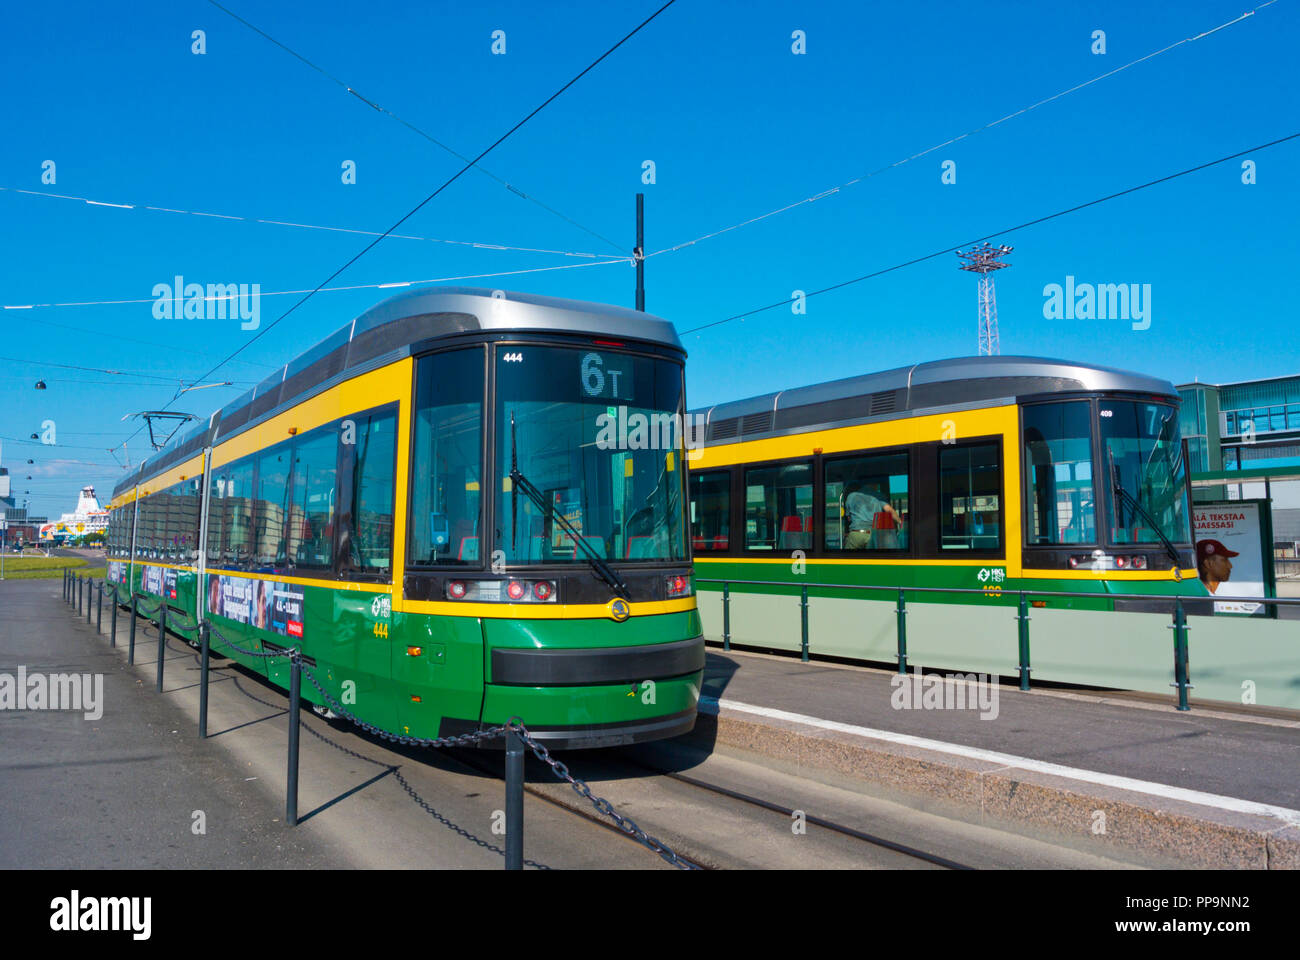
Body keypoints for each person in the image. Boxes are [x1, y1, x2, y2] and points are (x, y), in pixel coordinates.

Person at [844, 480, 903, 550]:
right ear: (874, 485)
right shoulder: (879, 496)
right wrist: (901, 522)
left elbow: (849, 518)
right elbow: (889, 510)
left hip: (856, 534)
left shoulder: (851, 496)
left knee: (846, 559)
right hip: (874, 535)